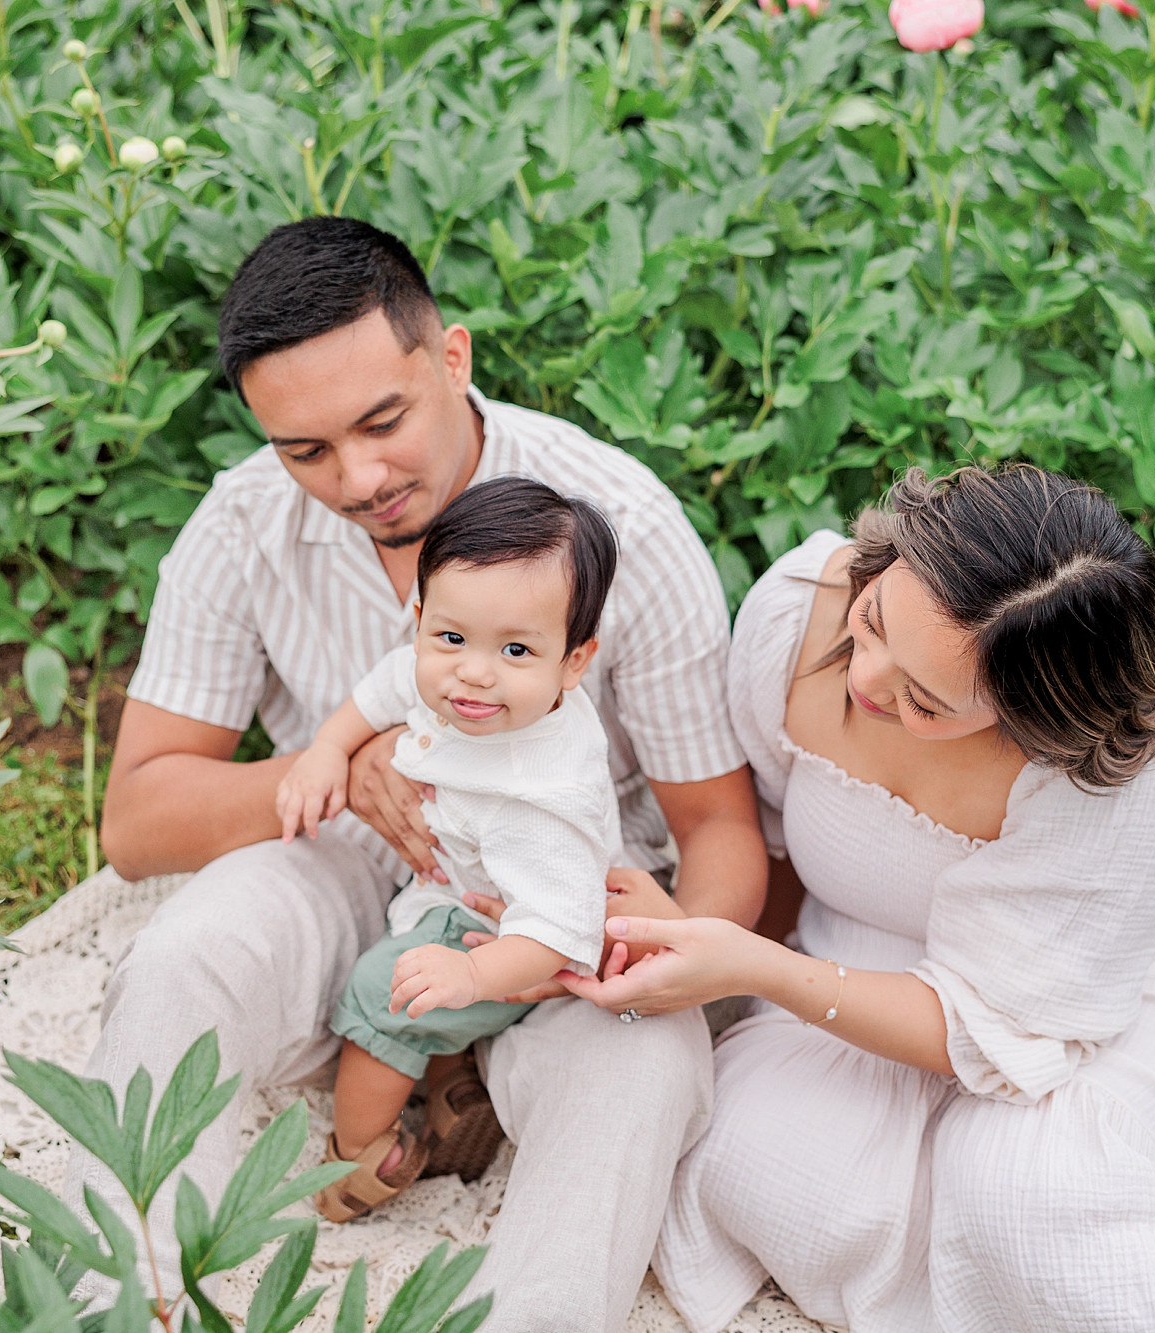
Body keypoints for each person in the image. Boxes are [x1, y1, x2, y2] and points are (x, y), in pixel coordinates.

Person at [76, 217, 767, 1332]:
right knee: (179, 956)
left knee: (642, 1074)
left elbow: (722, 828)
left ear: (452, 356)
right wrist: (340, 765)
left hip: (574, 900)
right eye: (304, 451)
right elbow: (138, 820)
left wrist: (672, 948)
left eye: (381, 421)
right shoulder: (242, 523)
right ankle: (114, 1301)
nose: (357, 477)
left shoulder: (623, 524)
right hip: (355, 873)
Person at [553, 465, 1155, 1332]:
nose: (867, 676)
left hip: (1097, 987)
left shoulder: (1129, 776)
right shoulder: (797, 611)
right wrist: (713, 944)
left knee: (1015, 1186)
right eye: (874, 621)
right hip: (860, 956)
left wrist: (758, 967)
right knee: (760, 1160)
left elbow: (989, 1030)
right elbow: (778, 839)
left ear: (1034, 718)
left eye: (926, 701)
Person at [275, 478, 623, 1222]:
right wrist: (327, 752)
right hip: (457, 887)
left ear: (574, 661)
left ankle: (359, 1156)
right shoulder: (441, 668)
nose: (474, 670)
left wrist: (473, 972)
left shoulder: (540, 797)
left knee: (383, 991)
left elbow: (556, 931)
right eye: (452, 638)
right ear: (422, 618)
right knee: (418, 971)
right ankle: (450, 1076)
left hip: (506, 933)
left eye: (518, 649)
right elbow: (381, 690)